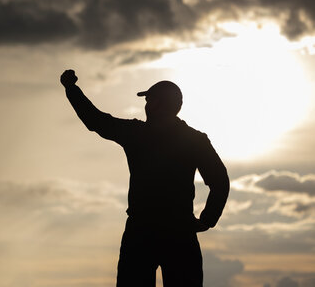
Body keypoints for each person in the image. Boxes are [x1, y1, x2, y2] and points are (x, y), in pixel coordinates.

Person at [60, 69, 229, 287]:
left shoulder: (137, 134)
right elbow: (220, 181)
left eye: (149, 100)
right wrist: (207, 219)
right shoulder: (194, 140)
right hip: (179, 232)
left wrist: (71, 89)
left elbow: (96, 121)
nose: (146, 105)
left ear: (158, 104)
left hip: (142, 232)